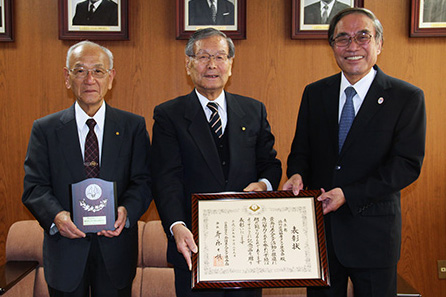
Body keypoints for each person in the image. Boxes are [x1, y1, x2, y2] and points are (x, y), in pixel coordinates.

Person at [283, 8, 426, 297]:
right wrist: (297, 173)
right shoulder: (315, 93)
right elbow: (301, 150)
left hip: (374, 237)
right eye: (342, 38)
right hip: (321, 235)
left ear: (379, 44)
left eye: (363, 37)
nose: (352, 47)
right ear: (332, 46)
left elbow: (406, 165)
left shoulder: (406, 97)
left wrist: (348, 193)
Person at [151, 28, 282, 297]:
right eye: (203, 57)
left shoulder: (253, 110)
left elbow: (270, 163)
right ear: (188, 64)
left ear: (230, 65)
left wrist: (263, 184)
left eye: (220, 57)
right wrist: (176, 225)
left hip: (246, 246)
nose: (212, 65)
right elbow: (166, 178)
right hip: (193, 246)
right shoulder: (169, 115)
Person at [22, 40, 152, 297]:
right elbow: (34, 187)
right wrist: (57, 217)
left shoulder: (132, 127)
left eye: (98, 71)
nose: (89, 79)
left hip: (115, 251)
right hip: (65, 252)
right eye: (80, 70)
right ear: (67, 78)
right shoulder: (45, 130)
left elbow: (144, 181)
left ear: (111, 77)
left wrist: (126, 211)